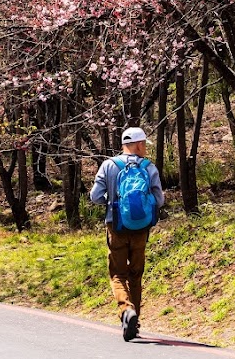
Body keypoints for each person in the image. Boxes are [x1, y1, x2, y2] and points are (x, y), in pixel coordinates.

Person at [90, 126, 165, 342]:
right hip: (141, 229)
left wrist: (111, 203)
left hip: (116, 226)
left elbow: (95, 196)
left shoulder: (109, 165)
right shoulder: (149, 168)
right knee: (136, 274)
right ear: (139, 145)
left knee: (118, 274)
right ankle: (136, 320)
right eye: (144, 146)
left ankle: (126, 309)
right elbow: (159, 200)